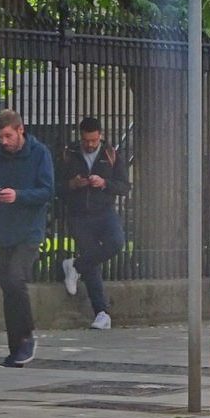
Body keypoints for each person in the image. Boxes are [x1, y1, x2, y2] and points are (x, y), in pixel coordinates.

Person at [0, 109, 55, 367]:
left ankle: (27, 335)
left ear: (21, 130)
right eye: (0, 137)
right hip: (4, 229)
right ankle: (15, 345)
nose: (4, 142)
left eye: (8, 135)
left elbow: (47, 191)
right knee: (7, 286)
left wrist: (19, 196)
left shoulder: (39, 153)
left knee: (15, 278)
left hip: (29, 230)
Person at [58, 116, 130, 329]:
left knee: (116, 243)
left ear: (101, 136)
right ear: (80, 137)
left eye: (93, 141)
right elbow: (56, 185)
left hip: (104, 211)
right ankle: (102, 313)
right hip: (79, 214)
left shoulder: (111, 155)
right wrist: (72, 184)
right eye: (86, 141)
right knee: (93, 264)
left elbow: (124, 186)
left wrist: (104, 183)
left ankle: (74, 265)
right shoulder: (68, 154)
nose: (89, 145)